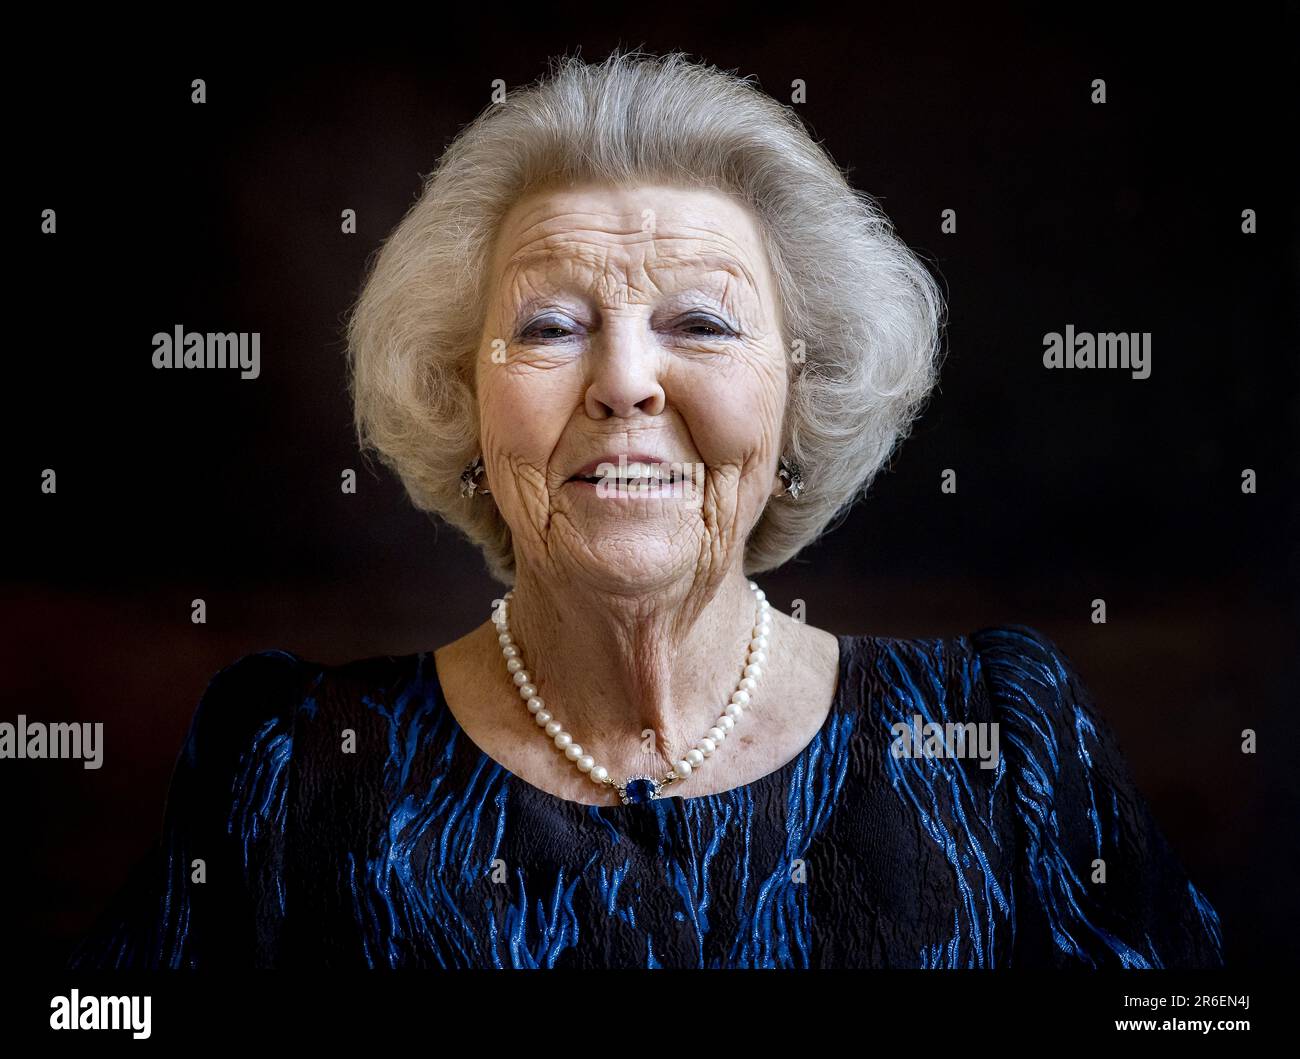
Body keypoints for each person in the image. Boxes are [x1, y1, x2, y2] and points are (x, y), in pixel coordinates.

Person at [67, 49, 1223, 970]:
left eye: (703, 324)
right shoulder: (288, 764)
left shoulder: (1000, 743)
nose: (624, 381)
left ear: (799, 394)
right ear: (462, 398)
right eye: (551, 325)